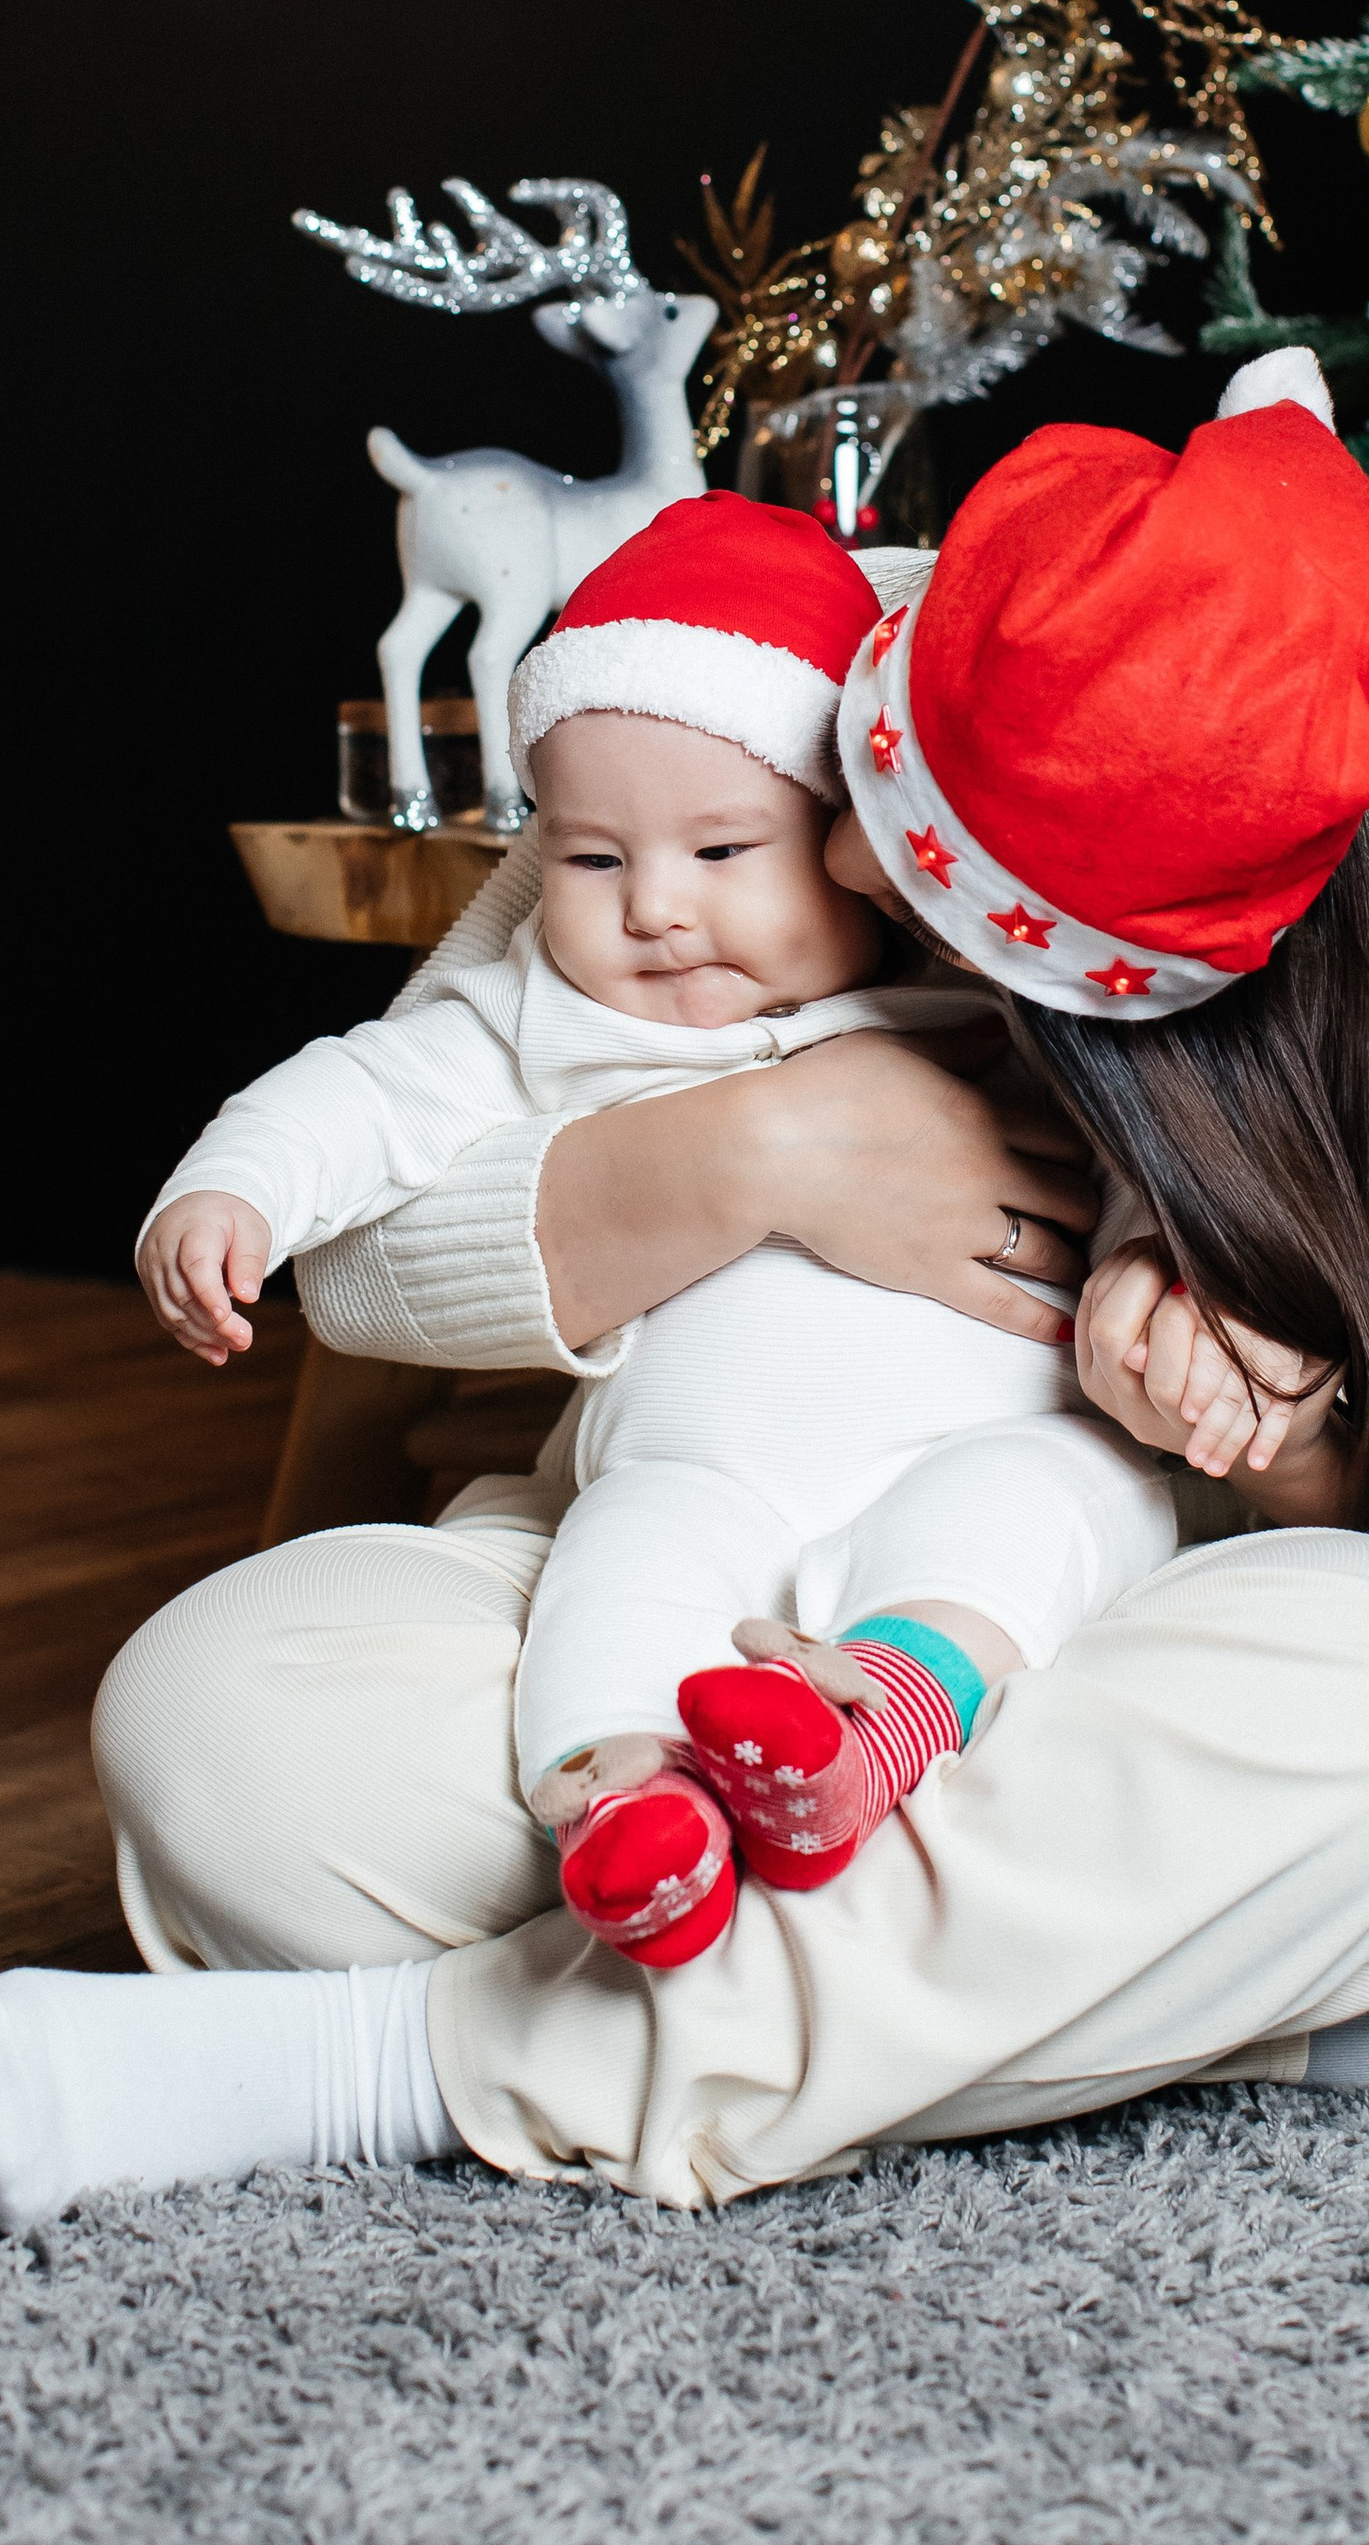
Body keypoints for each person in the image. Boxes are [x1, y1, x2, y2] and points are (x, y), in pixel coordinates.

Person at [0, 354, 1369, 2233]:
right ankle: (1272, 2009)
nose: (844, 853)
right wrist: (756, 1150)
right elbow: (366, 1263)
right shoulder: (742, 664)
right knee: (216, 1728)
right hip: (677, 1567)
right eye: (863, 780)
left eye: (934, 877)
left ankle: (396, 2064)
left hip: (1097, 1632)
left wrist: (1283, 1450)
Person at [130, 492, 1174, 1966]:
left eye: (723, 853)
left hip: (973, 1447)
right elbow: (357, 1095)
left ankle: (874, 1737)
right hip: (696, 1476)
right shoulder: (545, 1015)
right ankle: (632, 1819)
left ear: (864, 850)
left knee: (1065, 1494)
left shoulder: (981, 996)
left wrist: (1163, 1292)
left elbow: (1151, 1161)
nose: (656, 913)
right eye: (594, 860)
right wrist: (228, 1195)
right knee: (614, 1576)